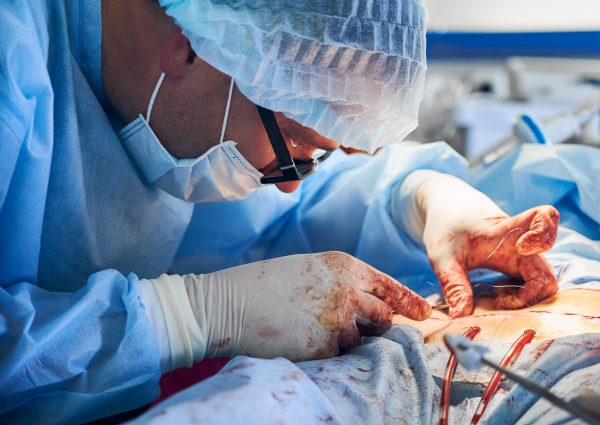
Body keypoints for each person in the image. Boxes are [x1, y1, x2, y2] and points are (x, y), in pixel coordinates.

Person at [0, 0, 560, 423]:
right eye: (298, 147)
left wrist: (415, 199)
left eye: (317, 155)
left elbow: (278, 219)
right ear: (192, 47)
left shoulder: (196, 106)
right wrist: (186, 315)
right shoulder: (13, 63)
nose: (288, 187)